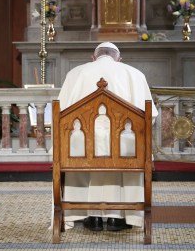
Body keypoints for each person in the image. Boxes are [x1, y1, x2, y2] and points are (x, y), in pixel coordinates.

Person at [57, 42, 158, 232]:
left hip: (81, 151)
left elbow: (59, 115)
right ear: (119, 59)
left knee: (76, 142)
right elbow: (150, 117)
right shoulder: (134, 74)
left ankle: (90, 216)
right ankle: (120, 218)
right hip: (124, 151)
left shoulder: (76, 74)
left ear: (93, 58)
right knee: (129, 143)